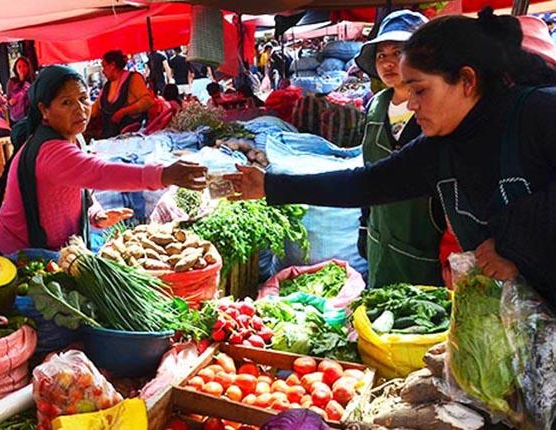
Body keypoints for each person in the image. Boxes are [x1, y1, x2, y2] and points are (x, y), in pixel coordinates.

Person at [225, 10, 556, 307]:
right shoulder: (439, 146)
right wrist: (269, 186)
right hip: (516, 318)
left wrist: (518, 249)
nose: (411, 104)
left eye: (420, 89)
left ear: (467, 80)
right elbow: (368, 183)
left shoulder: (539, 114)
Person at [0, 65, 208, 255]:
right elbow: (99, 172)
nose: (80, 109)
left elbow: (79, 187)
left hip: (50, 247)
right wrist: (163, 175)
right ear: (44, 110)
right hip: (18, 254)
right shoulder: (50, 150)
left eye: (83, 99)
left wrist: (95, 214)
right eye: (66, 102)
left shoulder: (72, 137)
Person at [349, 10, 445, 288]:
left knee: (425, 317)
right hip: (381, 236)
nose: (388, 63)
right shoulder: (376, 105)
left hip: (425, 241)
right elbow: (368, 173)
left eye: (398, 52)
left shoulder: (437, 107)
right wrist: (365, 226)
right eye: (382, 55)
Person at [91, 50, 155, 139]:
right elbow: (96, 107)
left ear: (113, 65)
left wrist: (123, 112)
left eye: (104, 66)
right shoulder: (107, 86)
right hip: (108, 136)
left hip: (129, 137)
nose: (103, 71)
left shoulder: (133, 78)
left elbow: (148, 101)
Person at [6, 57, 33, 126]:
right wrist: (10, 102)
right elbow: (8, 98)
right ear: (16, 68)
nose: (22, 69)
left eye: (24, 66)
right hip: (16, 116)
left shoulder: (33, 80)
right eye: (19, 67)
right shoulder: (12, 82)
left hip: (30, 115)